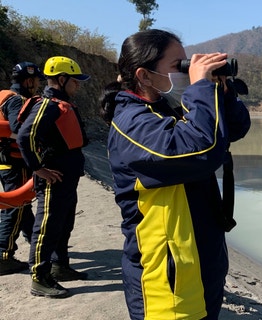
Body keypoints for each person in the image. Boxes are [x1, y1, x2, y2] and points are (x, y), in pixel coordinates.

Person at [99, 29, 251, 319]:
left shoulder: (167, 110)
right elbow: (201, 150)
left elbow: (236, 128)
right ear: (144, 76)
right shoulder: (133, 122)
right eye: (179, 66)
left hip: (199, 260)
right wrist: (200, 88)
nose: (186, 72)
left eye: (187, 64)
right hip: (167, 277)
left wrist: (221, 90)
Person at [17, 56, 90, 298]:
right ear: (62, 79)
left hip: (67, 177)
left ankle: (60, 266)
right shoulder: (47, 105)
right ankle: (39, 277)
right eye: (75, 80)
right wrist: (38, 168)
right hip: (53, 178)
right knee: (46, 228)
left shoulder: (62, 103)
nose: (78, 85)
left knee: (63, 224)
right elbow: (24, 137)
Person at [0, 62, 43, 275]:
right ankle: (3, 255)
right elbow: (21, 130)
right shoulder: (17, 101)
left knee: (23, 207)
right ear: (28, 81)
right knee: (15, 207)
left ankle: (35, 240)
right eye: (36, 81)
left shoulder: (3, 95)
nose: (37, 85)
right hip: (17, 161)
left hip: (6, 160)